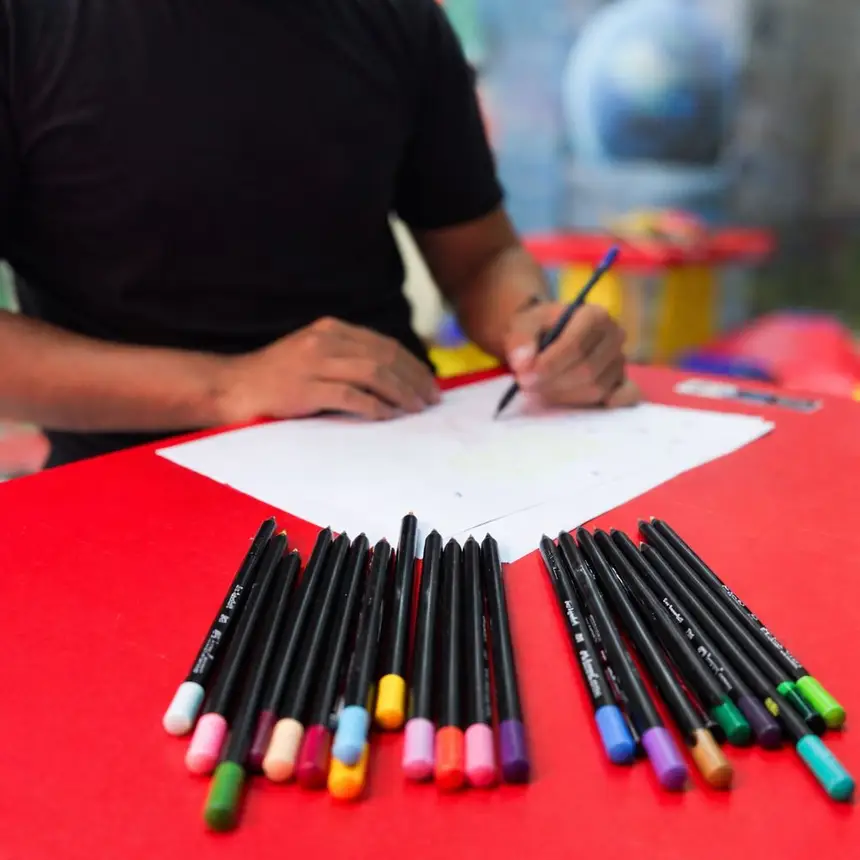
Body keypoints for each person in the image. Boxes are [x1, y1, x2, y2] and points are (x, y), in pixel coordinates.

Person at [0, 0, 639, 468]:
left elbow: (482, 257)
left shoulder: (396, 17)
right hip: (133, 479)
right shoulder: (27, 25)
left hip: (401, 455)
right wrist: (231, 385)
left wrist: (532, 328)